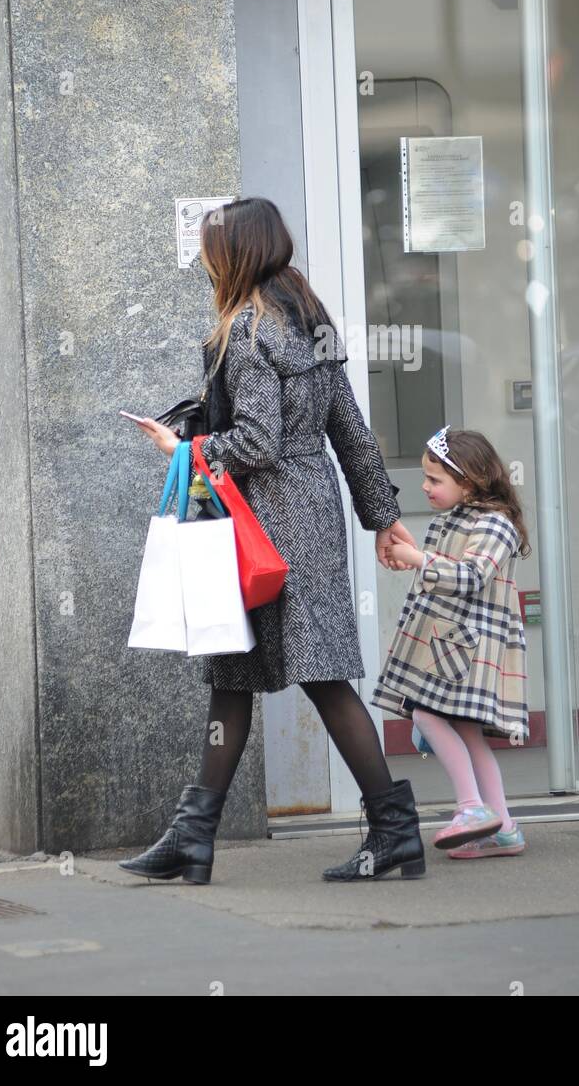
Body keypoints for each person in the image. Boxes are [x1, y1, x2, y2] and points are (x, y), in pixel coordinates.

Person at [119, 197, 426, 883]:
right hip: (308, 516)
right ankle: (192, 836)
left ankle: (392, 830)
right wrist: (381, 514)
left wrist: (181, 448)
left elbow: (254, 443)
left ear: (234, 254)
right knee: (244, 677)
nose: (204, 260)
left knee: (311, 681)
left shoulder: (248, 329)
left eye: (210, 249)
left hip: (265, 524)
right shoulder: (307, 318)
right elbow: (349, 430)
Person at [373, 425, 531, 859]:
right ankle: (503, 828)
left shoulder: (496, 524)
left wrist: (419, 559)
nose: (424, 486)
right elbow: (444, 570)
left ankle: (471, 809)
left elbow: (470, 575)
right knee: (466, 732)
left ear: (471, 480)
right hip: (450, 644)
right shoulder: (454, 520)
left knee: (425, 714)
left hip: (470, 646)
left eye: (434, 479)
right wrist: (415, 556)